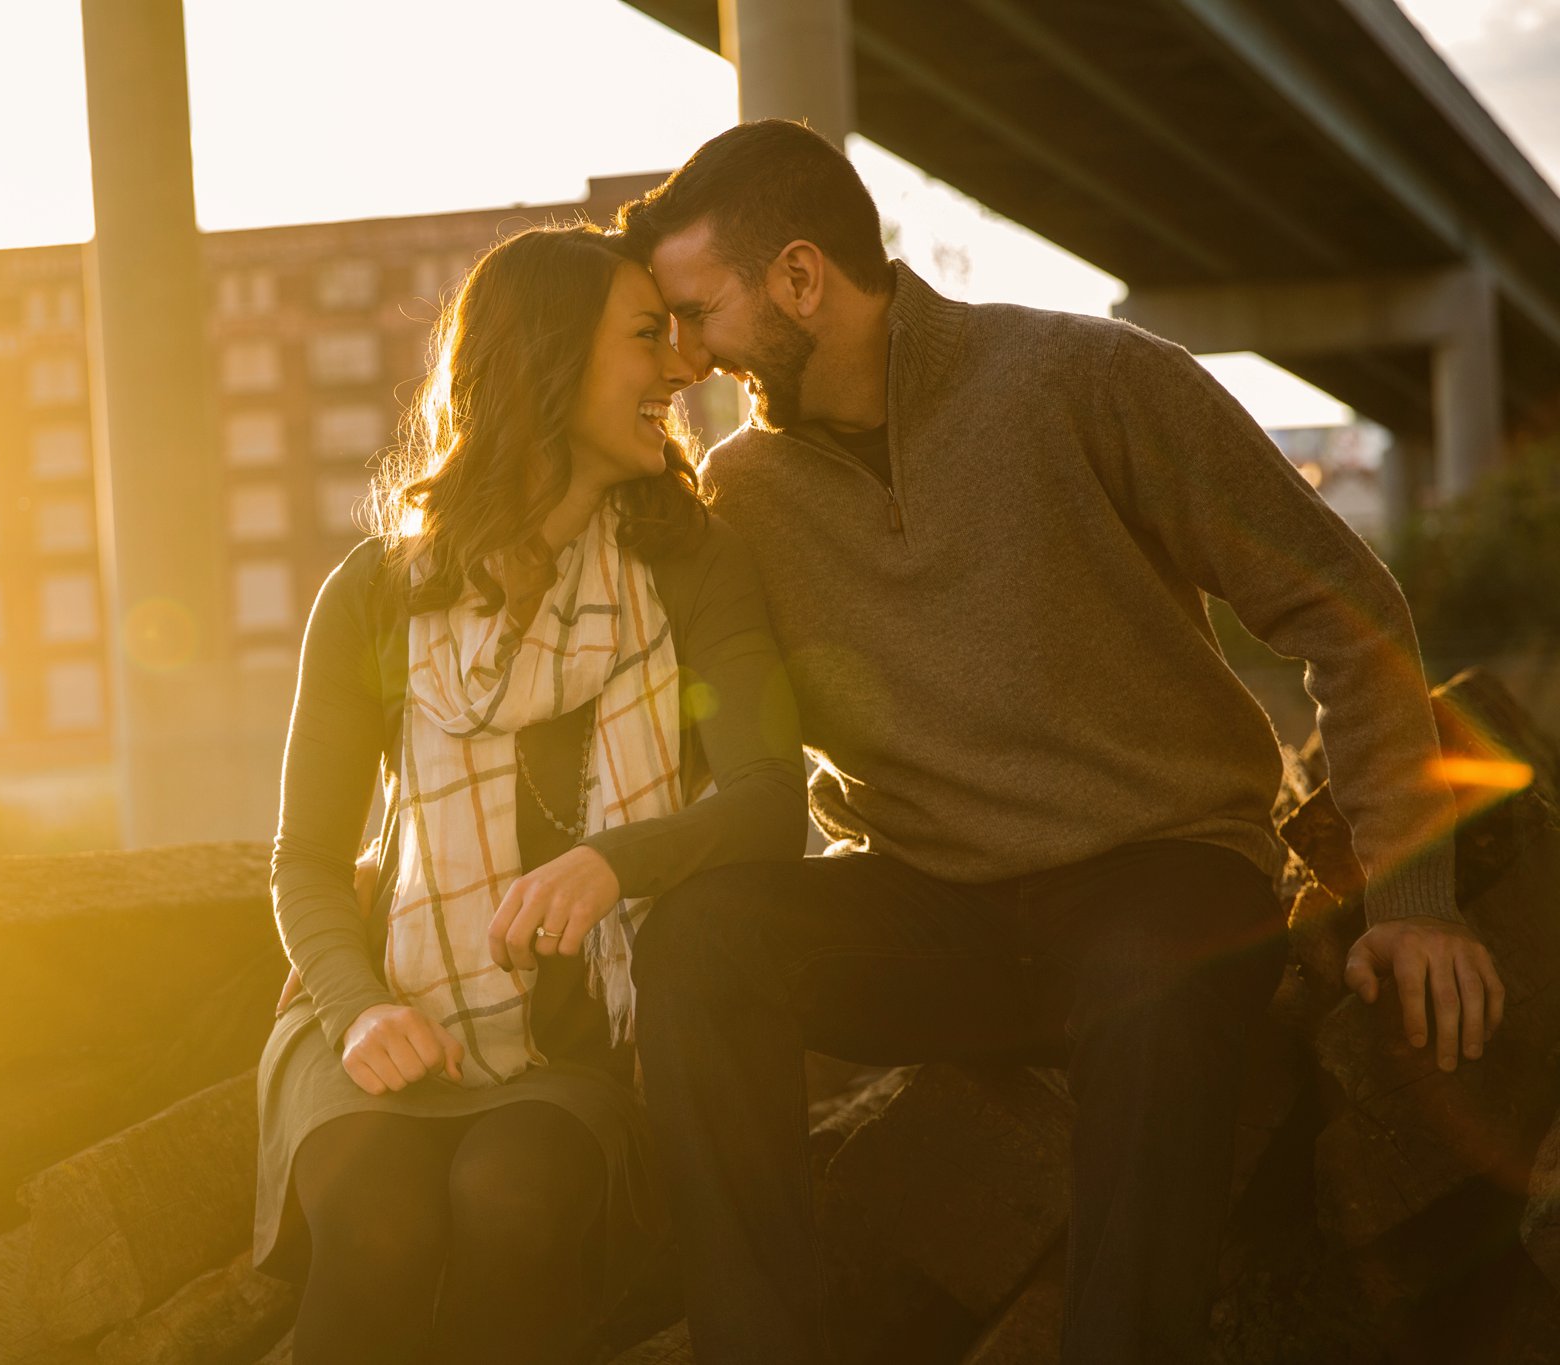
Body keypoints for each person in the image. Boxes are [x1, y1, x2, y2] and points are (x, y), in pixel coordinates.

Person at [613, 120, 1508, 1365]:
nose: (689, 353)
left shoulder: (1082, 379)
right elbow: (688, 733)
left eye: (698, 311)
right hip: (931, 909)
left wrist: (1411, 893)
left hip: (1155, 872)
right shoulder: (739, 493)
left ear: (800, 279)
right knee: (704, 947)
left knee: (1159, 964)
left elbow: (1348, 615)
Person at [250, 222, 807, 1365]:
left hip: (569, 1054)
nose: (678, 368)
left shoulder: (692, 564)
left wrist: (618, 863)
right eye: (646, 337)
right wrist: (358, 1009)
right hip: (374, 1014)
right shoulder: (372, 595)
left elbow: (766, 798)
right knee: (376, 1216)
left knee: (515, 1198)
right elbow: (304, 860)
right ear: (546, 359)